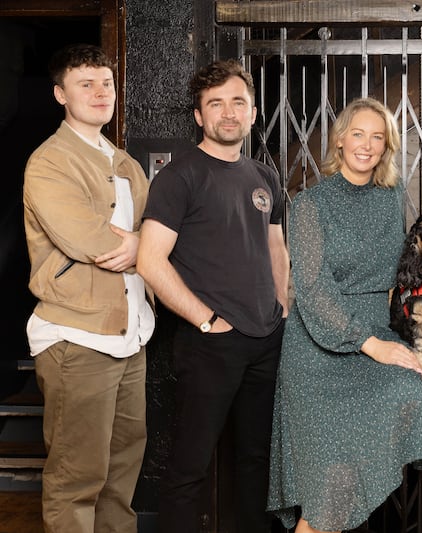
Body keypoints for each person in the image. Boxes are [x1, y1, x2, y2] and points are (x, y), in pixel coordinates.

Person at [267, 97, 422, 533]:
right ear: (340, 141)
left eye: (377, 137)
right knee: (330, 482)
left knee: (410, 394)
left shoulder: (391, 196)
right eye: (357, 134)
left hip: (375, 331)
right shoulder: (308, 205)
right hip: (317, 348)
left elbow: (401, 265)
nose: (367, 145)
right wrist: (373, 344)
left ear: (387, 147)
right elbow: (312, 289)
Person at [136, 59, 289, 532]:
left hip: (266, 339)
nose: (228, 112)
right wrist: (205, 319)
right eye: (215, 104)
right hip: (209, 343)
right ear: (199, 116)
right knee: (190, 465)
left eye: (237, 102)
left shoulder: (264, 177)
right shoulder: (179, 176)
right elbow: (150, 261)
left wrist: (282, 307)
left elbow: (277, 246)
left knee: (256, 462)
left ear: (254, 112)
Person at [22, 43, 154, 532]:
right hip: (77, 338)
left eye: (107, 83)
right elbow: (94, 242)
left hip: (131, 335)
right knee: (77, 477)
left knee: (120, 477)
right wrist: (147, 245)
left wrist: (144, 242)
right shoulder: (49, 162)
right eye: (85, 84)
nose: (101, 93)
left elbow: (152, 238)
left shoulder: (126, 164)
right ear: (61, 94)